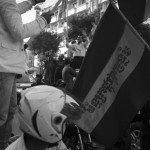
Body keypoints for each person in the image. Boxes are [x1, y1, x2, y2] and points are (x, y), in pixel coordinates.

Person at [0, 0, 53, 149]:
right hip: (3, 67)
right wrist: (42, 21)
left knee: (9, 112)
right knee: (2, 116)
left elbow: (12, 11)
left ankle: (3, 144)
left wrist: (31, 2)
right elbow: (19, 32)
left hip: (6, 67)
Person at [6, 85, 83, 150]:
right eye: (61, 122)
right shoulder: (51, 140)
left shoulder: (55, 144)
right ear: (43, 123)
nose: (64, 127)